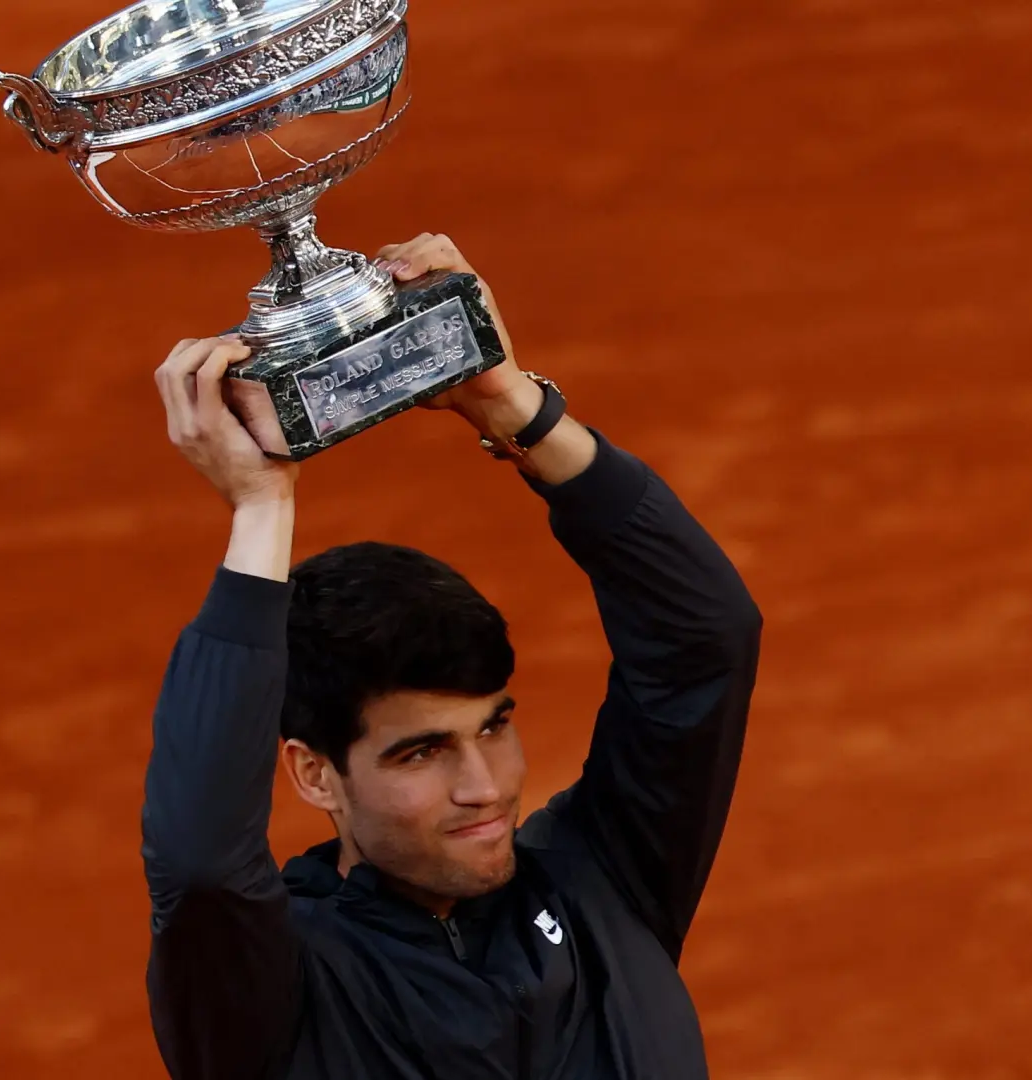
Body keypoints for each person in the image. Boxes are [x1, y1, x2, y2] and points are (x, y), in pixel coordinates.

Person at [142, 233, 763, 1079]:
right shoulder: (278, 996)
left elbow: (702, 641)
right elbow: (201, 862)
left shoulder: (601, 881)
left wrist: (513, 405)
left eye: (493, 727)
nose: (487, 787)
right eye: (422, 750)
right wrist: (259, 509)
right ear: (315, 773)